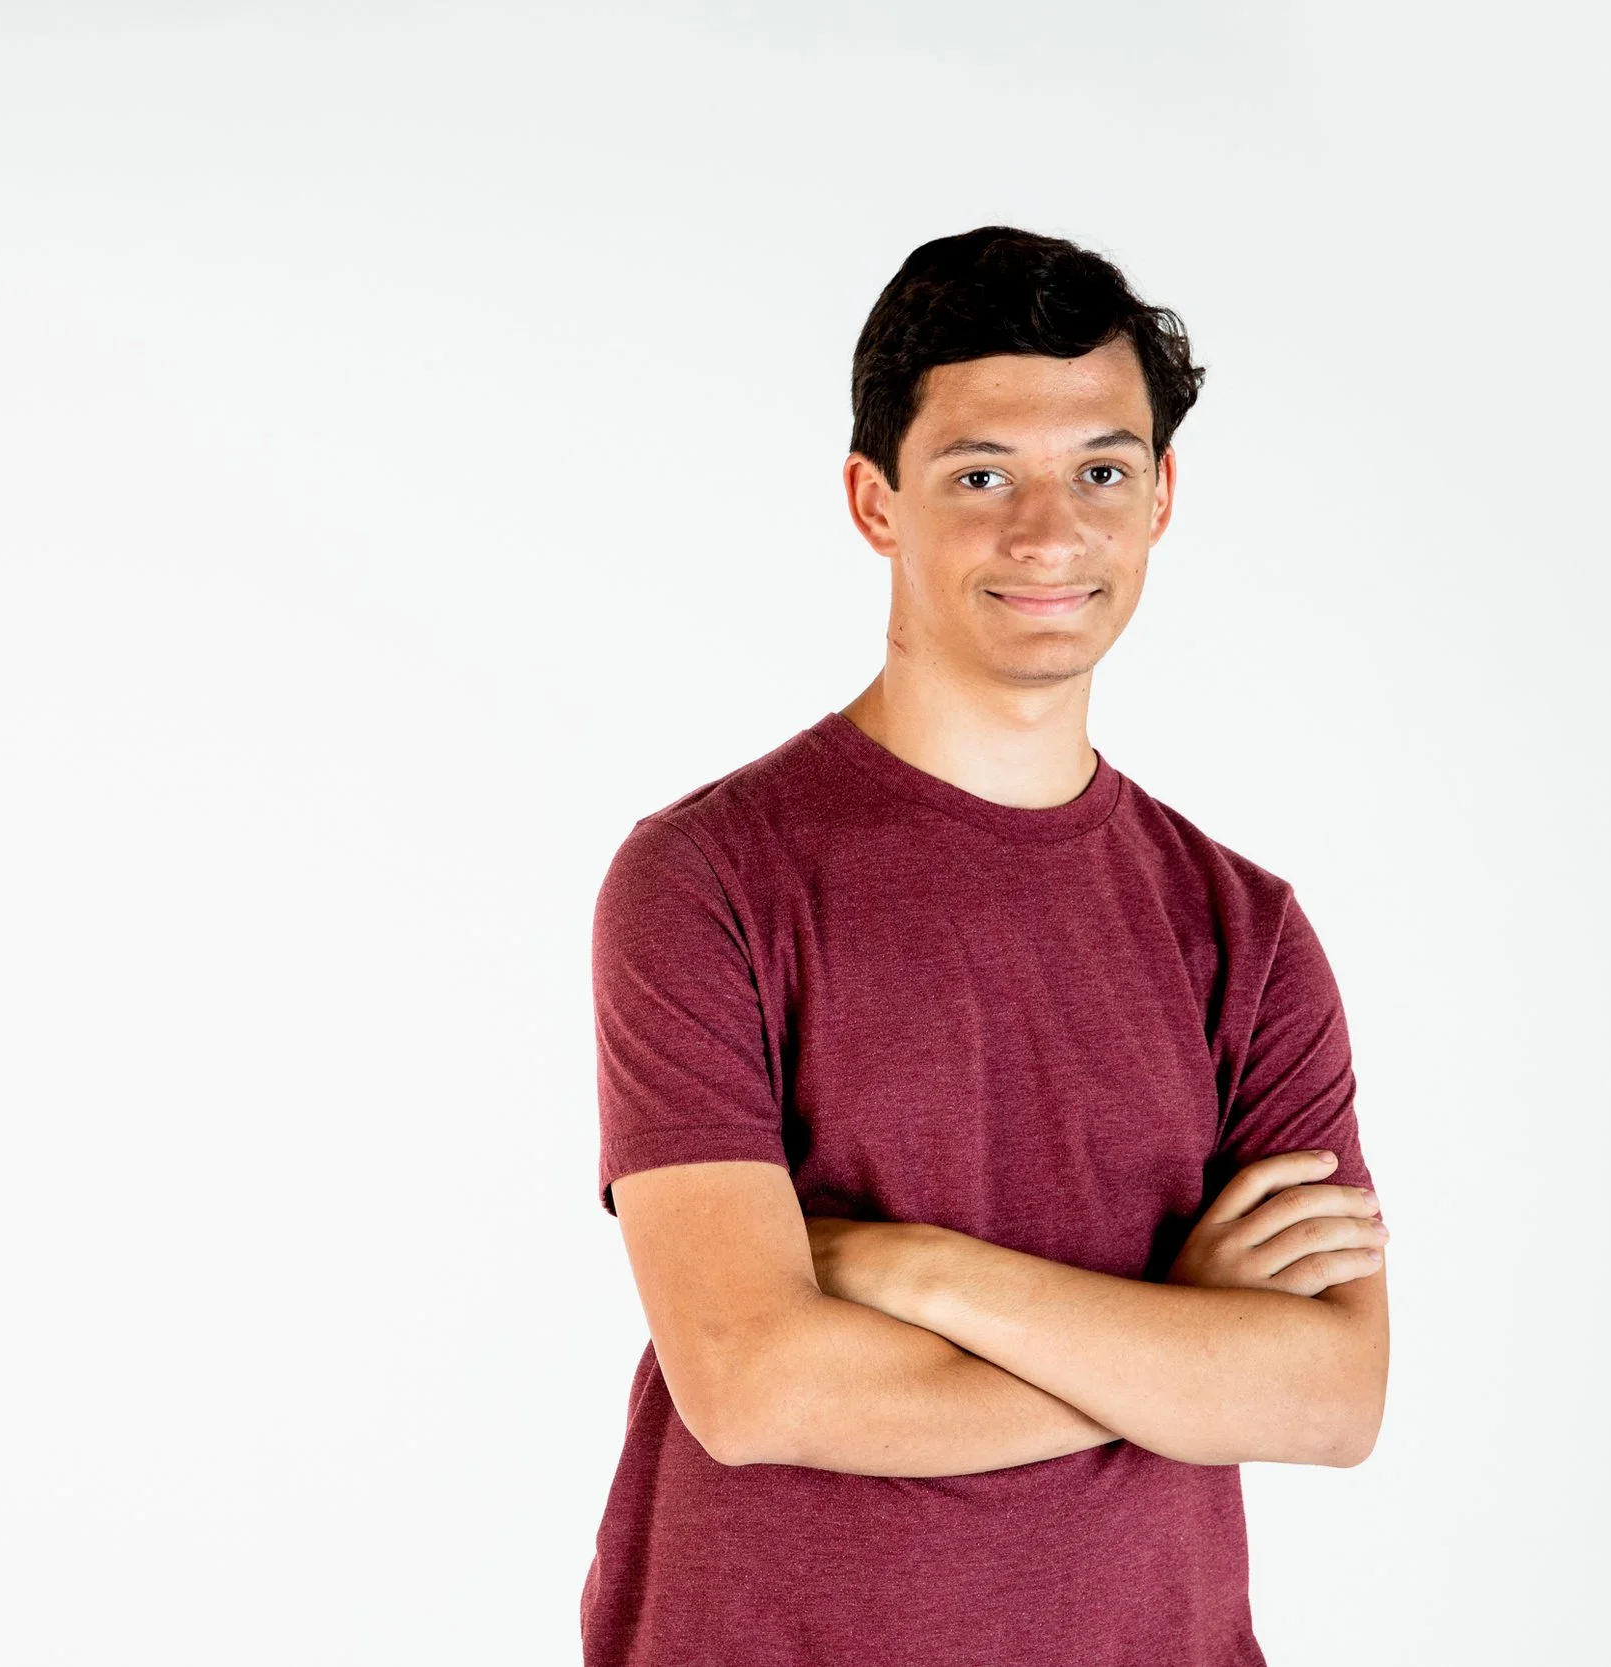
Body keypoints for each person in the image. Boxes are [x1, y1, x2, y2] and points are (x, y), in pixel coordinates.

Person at [582, 227, 1389, 1666]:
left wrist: (916, 1272)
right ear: (873, 502)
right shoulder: (703, 878)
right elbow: (757, 1381)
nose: (1048, 532)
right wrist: (1180, 1351)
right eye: (979, 475)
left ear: (1160, 499)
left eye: (1101, 469)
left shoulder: (1245, 932)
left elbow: (1328, 1396)